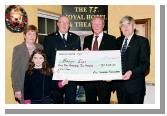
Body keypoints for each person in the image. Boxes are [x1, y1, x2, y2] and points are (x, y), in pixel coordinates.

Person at [43, 15, 81, 104]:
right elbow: (45, 58)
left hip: (71, 78)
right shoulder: (49, 38)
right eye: (62, 22)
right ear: (57, 24)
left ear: (69, 25)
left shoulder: (75, 38)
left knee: (71, 102)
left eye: (67, 23)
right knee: (56, 102)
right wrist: (50, 68)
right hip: (56, 78)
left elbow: (78, 57)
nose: (64, 25)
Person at [83, 16, 117, 104]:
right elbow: (84, 60)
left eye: (99, 23)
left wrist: (111, 76)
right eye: (94, 24)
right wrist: (83, 55)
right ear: (91, 26)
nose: (96, 26)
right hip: (89, 82)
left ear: (103, 25)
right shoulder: (87, 39)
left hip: (104, 82)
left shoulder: (112, 39)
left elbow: (115, 60)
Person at [116, 16, 150, 104]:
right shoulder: (117, 41)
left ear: (134, 26)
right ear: (120, 28)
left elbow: (145, 64)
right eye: (123, 25)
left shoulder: (142, 41)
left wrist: (132, 72)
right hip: (120, 88)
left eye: (128, 24)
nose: (125, 27)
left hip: (136, 88)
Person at [11, 25, 43, 103]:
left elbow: (44, 65)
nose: (32, 36)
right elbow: (15, 71)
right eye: (29, 34)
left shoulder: (40, 47)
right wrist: (17, 89)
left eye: (34, 34)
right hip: (24, 86)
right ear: (24, 35)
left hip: (39, 85)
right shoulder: (18, 49)